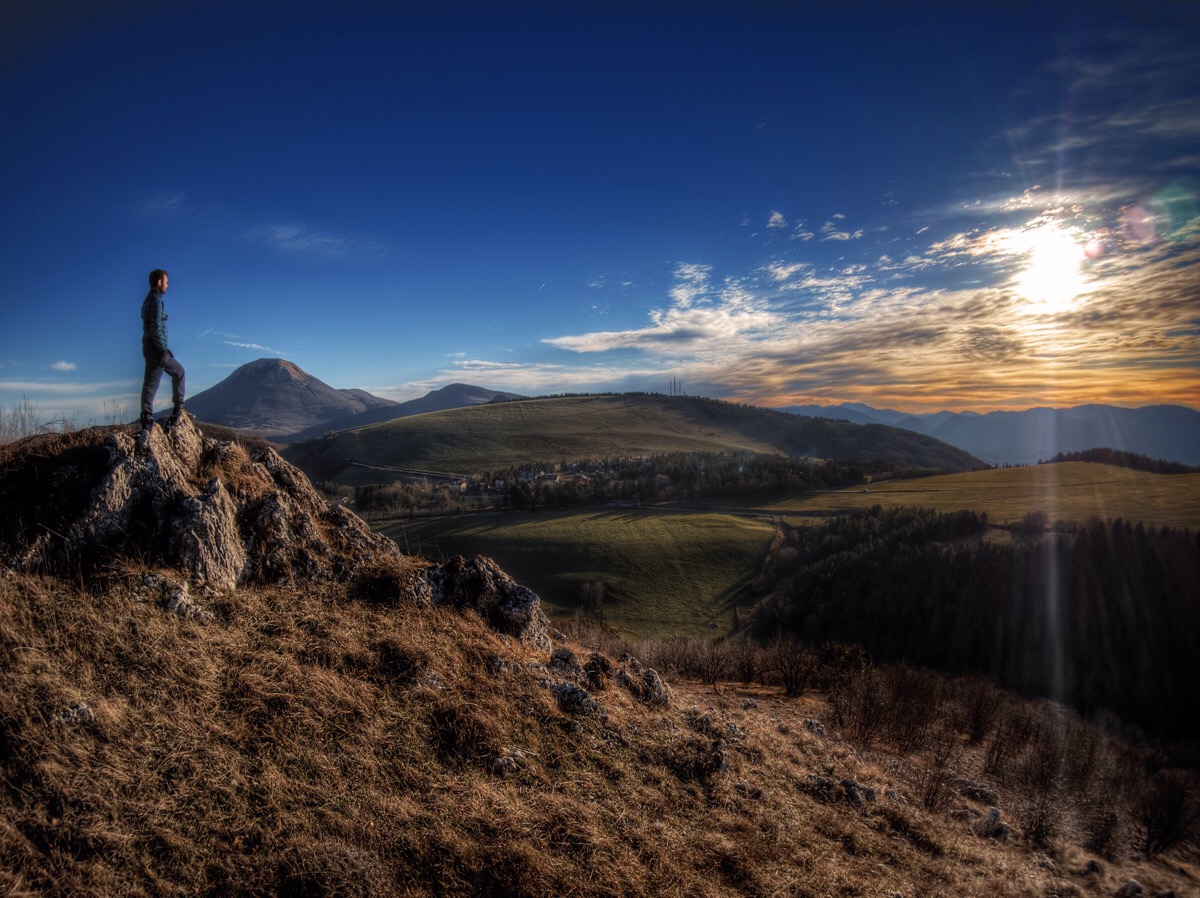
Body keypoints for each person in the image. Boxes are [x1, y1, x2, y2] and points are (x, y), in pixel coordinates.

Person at [139, 268, 186, 430]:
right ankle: (178, 409)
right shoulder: (156, 300)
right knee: (179, 372)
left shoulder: (148, 300)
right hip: (156, 348)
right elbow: (156, 327)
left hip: (149, 346)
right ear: (159, 282)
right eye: (166, 282)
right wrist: (162, 349)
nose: (167, 285)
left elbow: (150, 321)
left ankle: (146, 417)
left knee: (150, 383)